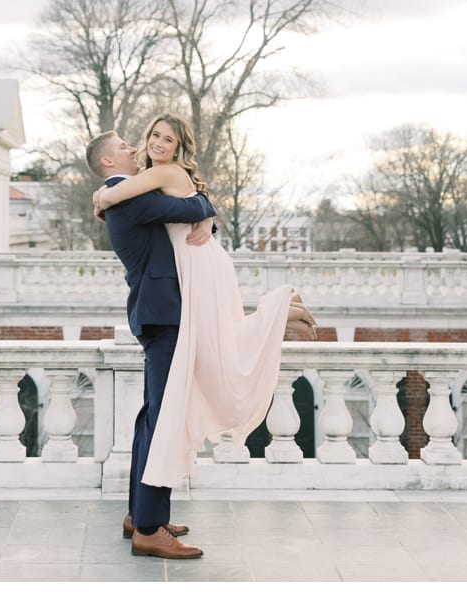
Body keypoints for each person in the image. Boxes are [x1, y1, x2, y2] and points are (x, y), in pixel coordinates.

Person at [88, 113, 317, 560]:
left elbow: (192, 206)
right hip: (165, 315)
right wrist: (204, 211)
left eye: (155, 139)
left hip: (164, 313)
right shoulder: (128, 198)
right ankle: (150, 528)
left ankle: (141, 514)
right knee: (165, 418)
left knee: (154, 416)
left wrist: (204, 213)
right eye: (126, 146)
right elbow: (192, 207)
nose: (137, 148)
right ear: (107, 160)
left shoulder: (131, 192)